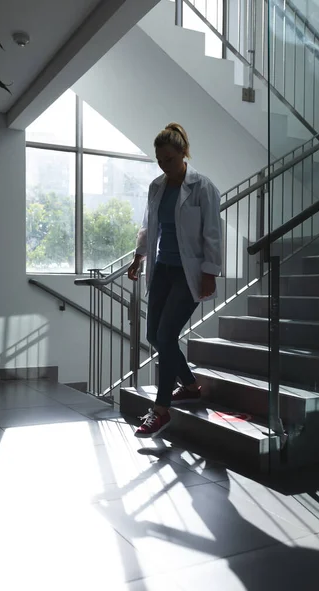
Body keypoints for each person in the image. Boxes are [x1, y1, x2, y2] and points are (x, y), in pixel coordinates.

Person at [128, 123, 222, 438]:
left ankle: (161, 410)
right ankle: (190, 384)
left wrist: (210, 272)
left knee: (166, 334)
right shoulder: (158, 187)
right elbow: (148, 225)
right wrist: (138, 256)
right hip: (163, 269)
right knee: (155, 335)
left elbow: (212, 233)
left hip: (189, 272)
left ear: (183, 154)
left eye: (169, 159)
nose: (164, 166)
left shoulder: (203, 187)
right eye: (160, 161)